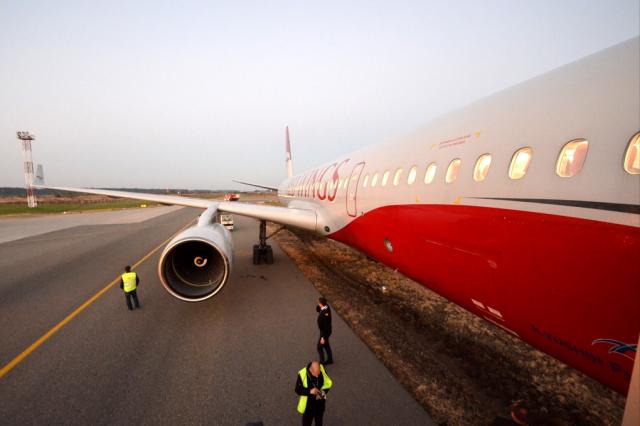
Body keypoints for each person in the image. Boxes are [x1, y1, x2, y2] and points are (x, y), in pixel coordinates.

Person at [295, 361, 333, 426]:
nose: (317, 376)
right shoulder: (302, 374)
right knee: (306, 424)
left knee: (319, 423)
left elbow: (328, 384)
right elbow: (298, 390)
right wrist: (310, 391)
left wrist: (321, 393)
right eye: (316, 374)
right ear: (311, 370)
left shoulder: (321, 370)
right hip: (308, 407)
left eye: (319, 373)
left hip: (320, 405)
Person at [316, 297, 333, 365]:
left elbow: (326, 327)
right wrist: (319, 305)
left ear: (321, 304)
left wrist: (323, 337)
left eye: (318, 302)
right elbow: (317, 310)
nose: (317, 303)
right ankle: (330, 359)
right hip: (323, 330)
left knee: (319, 347)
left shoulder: (326, 313)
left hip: (325, 332)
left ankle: (321, 363)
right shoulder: (326, 306)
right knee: (326, 345)